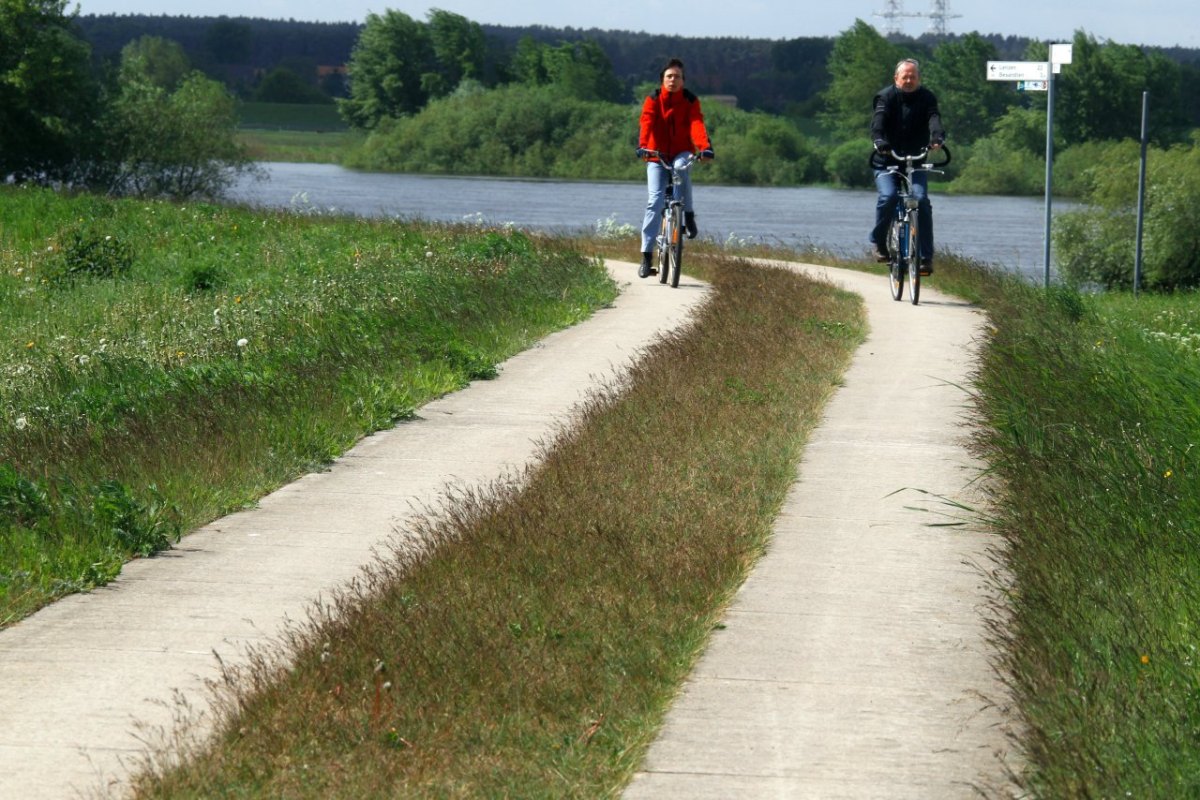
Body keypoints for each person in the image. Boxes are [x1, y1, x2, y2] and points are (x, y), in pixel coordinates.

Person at [637, 58, 714, 278]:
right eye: (669, 76)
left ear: (683, 80)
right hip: (656, 154)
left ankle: (687, 215)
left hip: (681, 151)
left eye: (677, 76)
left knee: (681, 168)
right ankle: (646, 256)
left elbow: (697, 124)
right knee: (655, 200)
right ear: (663, 80)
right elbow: (647, 122)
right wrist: (643, 146)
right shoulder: (653, 100)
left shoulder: (690, 100)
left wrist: (704, 148)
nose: (673, 80)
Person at [869, 57, 945, 275]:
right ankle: (878, 242)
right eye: (905, 76)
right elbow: (878, 122)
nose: (909, 80)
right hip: (886, 161)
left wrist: (937, 138)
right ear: (896, 78)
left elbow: (934, 119)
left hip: (915, 160)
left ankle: (925, 259)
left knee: (921, 200)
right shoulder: (886, 97)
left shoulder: (927, 97)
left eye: (913, 76)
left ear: (919, 78)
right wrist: (880, 141)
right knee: (889, 197)